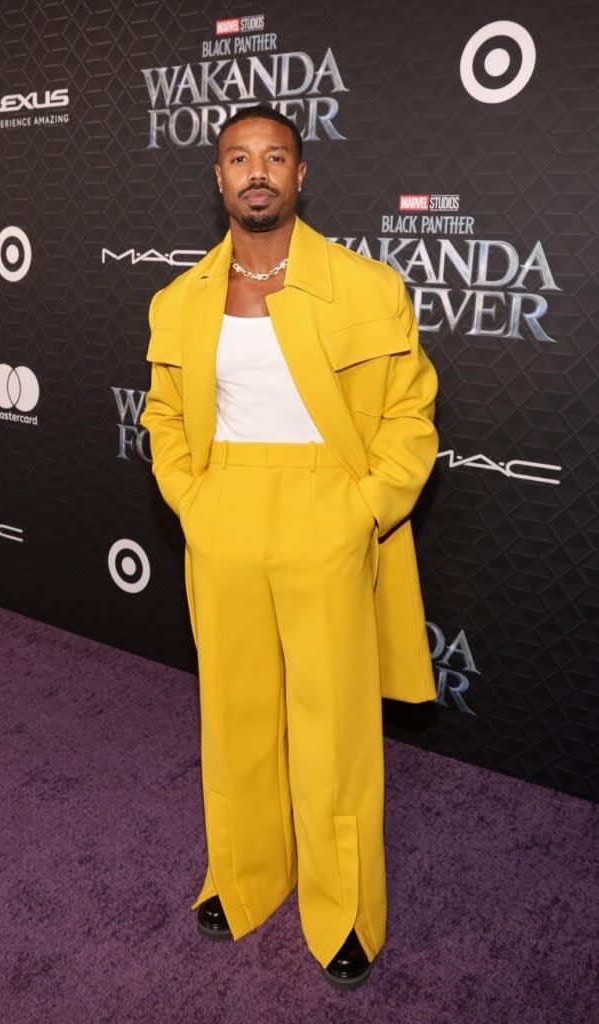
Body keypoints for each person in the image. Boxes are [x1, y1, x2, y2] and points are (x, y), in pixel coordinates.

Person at [140, 103, 439, 989]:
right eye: (239, 158)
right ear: (219, 178)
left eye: (274, 156)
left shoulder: (366, 286)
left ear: (301, 175)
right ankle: (242, 876)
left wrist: (362, 511)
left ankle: (344, 907)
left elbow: (409, 415)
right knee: (232, 715)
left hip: (327, 510)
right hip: (222, 512)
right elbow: (161, 417)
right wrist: (193, 502)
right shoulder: (177, 298)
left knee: (333, 724)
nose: (256, 171)